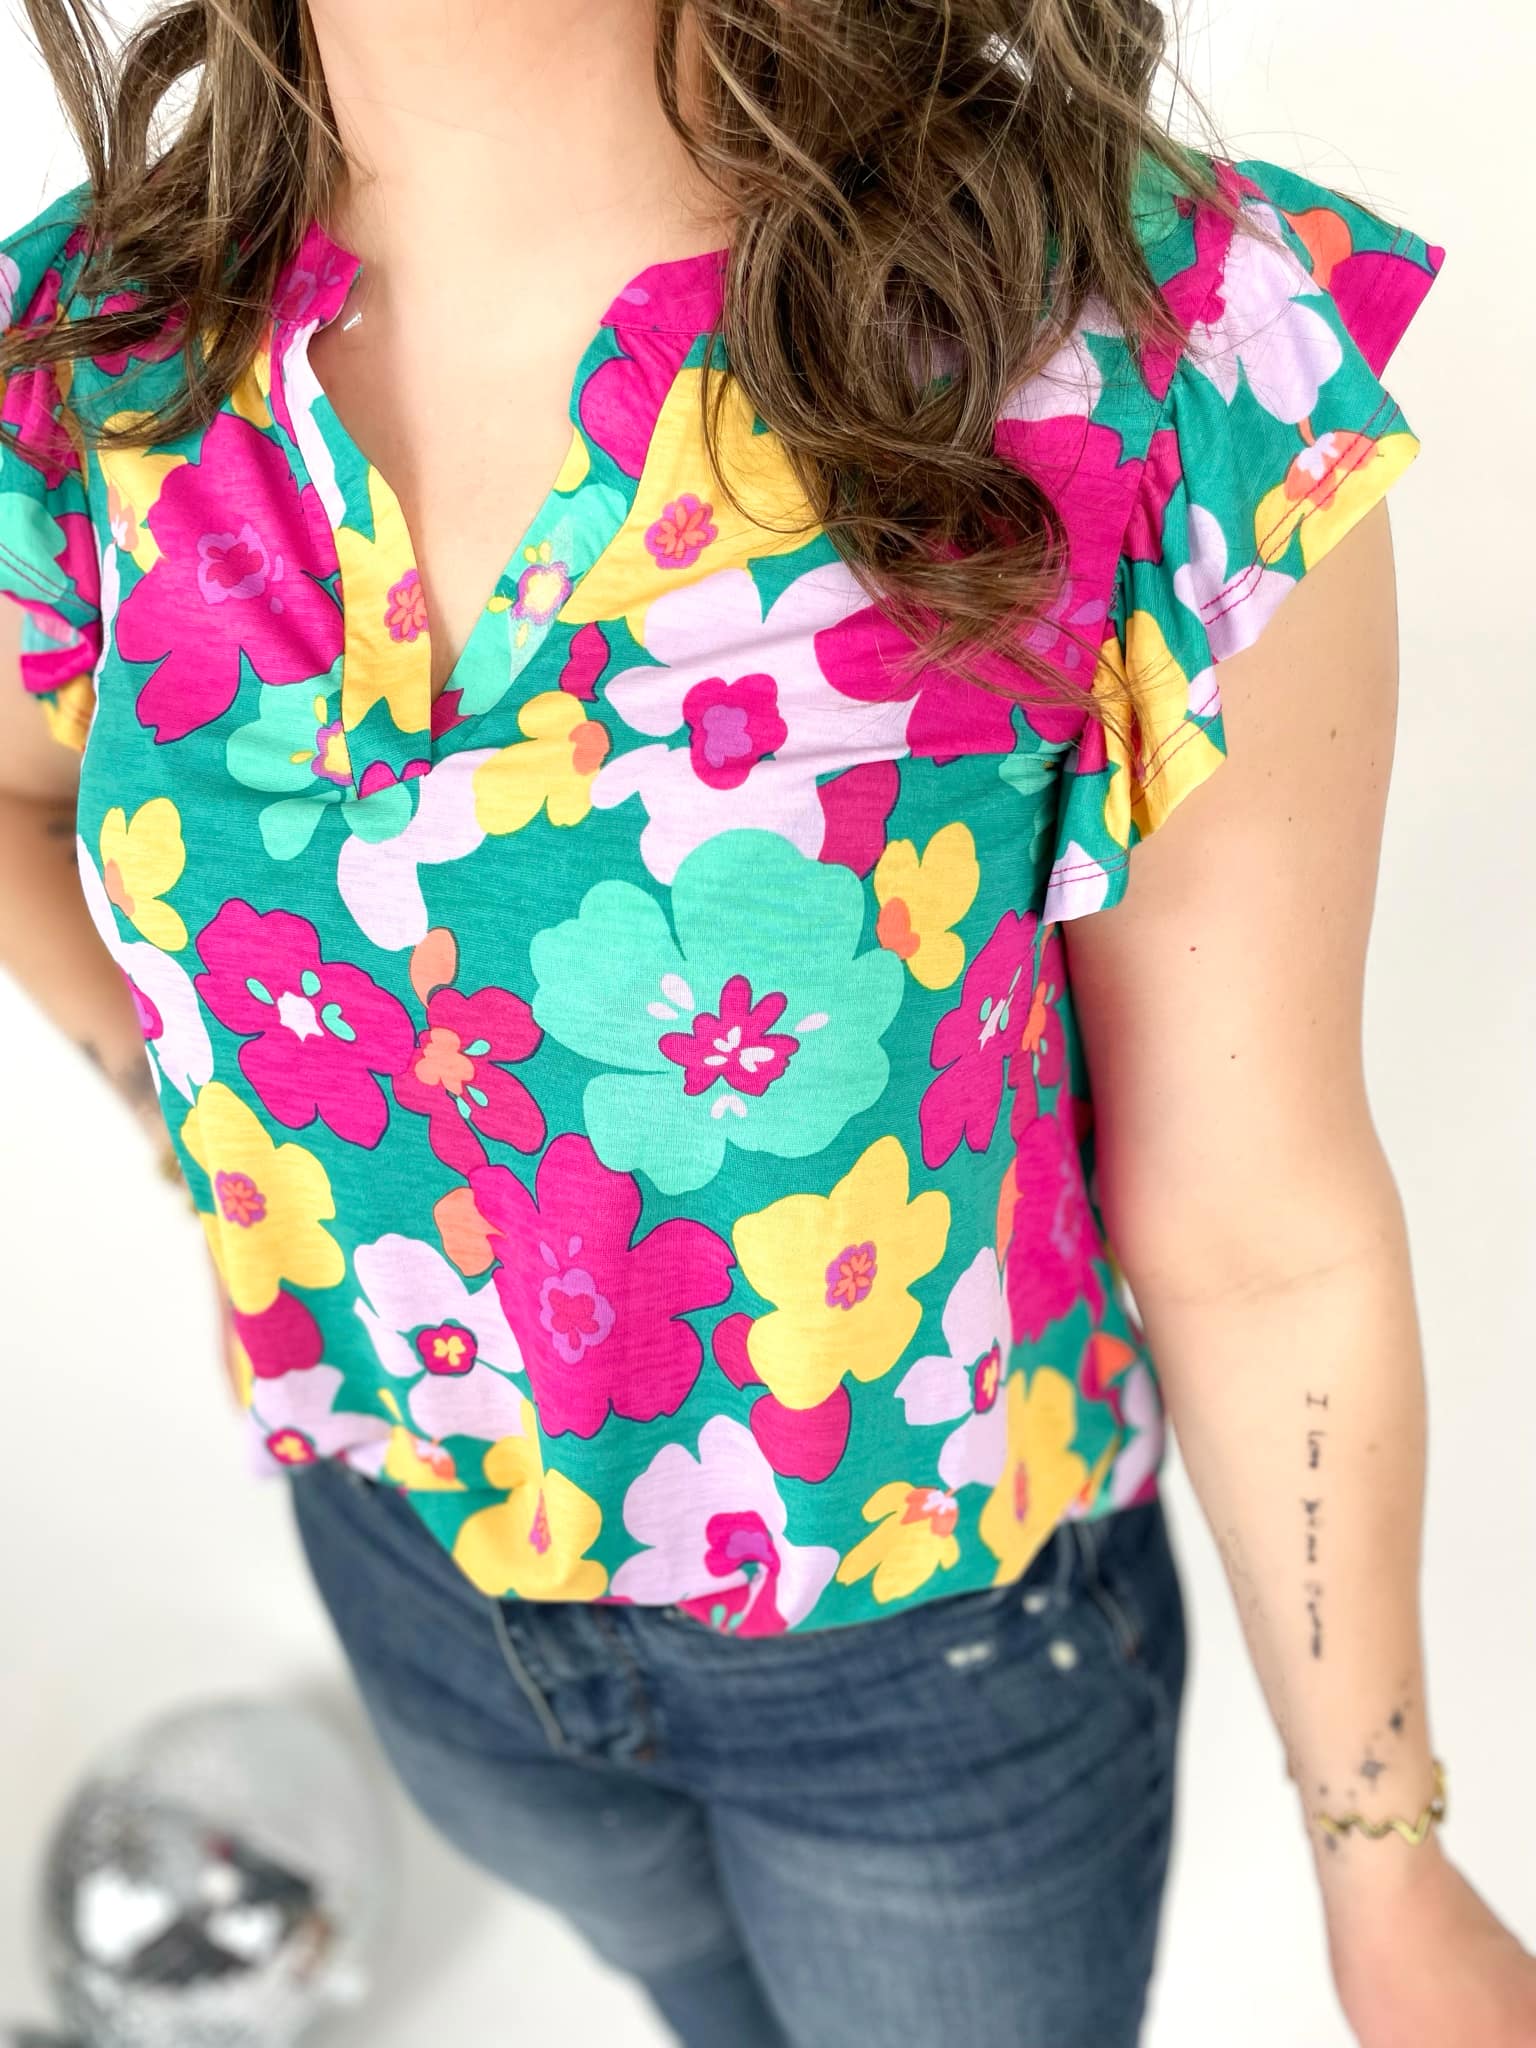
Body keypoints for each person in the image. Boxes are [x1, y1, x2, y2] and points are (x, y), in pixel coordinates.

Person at [2, 0, 1531, 2042]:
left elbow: (1256, 1227)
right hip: (419, 1587)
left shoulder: (1121, 346)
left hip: (928, 1685)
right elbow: (20, 796)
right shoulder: (94, 362)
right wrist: (192, 1125)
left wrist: (1383, 1855)